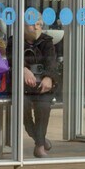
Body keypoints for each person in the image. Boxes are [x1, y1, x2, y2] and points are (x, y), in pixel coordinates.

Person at [21, 19, 60, 156]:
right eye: (32, 24)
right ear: (24, 26)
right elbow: (10, 60)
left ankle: (39, 147)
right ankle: (40, 139)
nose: (36, 27)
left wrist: (49, 77)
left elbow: (52, 62)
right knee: (23, 106)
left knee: (43, 106)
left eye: (39, 24)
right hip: (22, 86)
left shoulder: (46, 41)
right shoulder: (15, 40)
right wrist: (23, 69)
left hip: (42, 84)